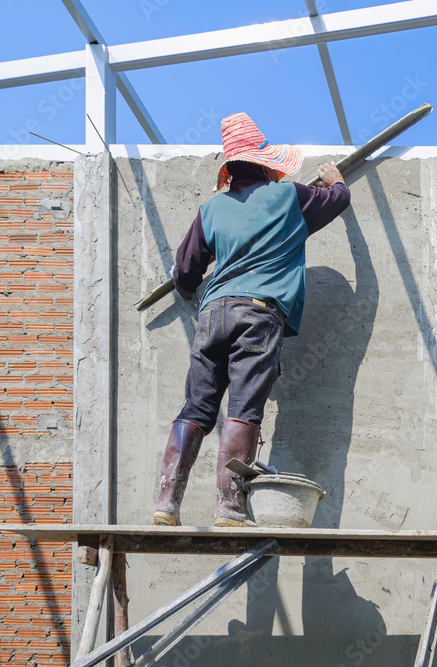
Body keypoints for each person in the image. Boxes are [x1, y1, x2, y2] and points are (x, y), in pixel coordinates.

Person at [153, 112, 351, 528]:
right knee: (242, 409)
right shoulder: (289, 198)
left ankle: (166, 503)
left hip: (212, 314)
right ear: (265, 164)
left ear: (230, 172)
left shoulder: (211, 211)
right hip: (259, 315)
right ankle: (229, 508)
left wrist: (194, 279)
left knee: (196, 409)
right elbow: (337, 201)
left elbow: (186, 274)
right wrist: (335, 180)